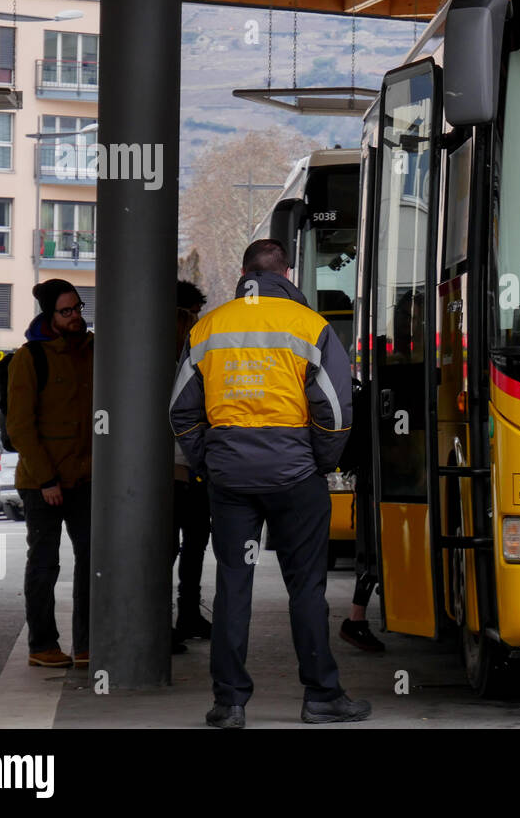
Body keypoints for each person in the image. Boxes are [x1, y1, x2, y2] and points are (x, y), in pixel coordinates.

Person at [169, 239, 370, 728]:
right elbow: (336, 410)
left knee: (234, 585)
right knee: (306, 588)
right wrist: (317, 462)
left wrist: (210, 461)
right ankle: (321, 696)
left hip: (231, 481)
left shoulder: (209, 327)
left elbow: (181, 409)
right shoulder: (311, 327)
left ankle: (229, 703)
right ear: (288, 273)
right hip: (295, 476)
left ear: (243, 274)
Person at [6, 279, 94, 669]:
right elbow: (21, 427)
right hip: (42, 483)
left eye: (77, 308)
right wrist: (46, 481)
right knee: (44, 565)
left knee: (93, 561)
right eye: (66, 311)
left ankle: (88, 644)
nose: (76, 316)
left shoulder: (93, 351)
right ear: (49, 315)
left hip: (87, 477)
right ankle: (42, 645)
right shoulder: (31, 357)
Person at [172, 301, 212, 643]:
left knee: (195, 545)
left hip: (193, 470)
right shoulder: (171, 368)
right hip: (176, 472)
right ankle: (174, 617)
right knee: (175, 547)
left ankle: (187, 614)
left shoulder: (189, 364)